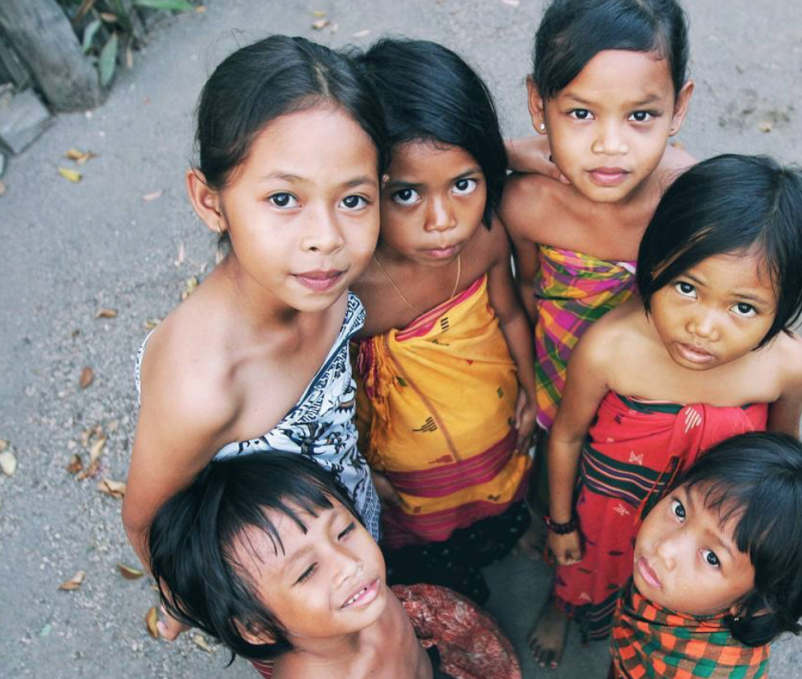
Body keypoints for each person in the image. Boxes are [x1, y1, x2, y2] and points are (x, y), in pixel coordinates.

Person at [123, 35, 386, 640]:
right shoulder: (206, 386)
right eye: (283, 199)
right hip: (284, 588)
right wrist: (196, 606)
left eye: (353, 198)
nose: (325, 236)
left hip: (339, 521)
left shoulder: (317, 280)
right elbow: (146, 521)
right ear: (210, 201)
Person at [542, 154, 802, 664]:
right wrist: (560, 524)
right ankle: (561, 608)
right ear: (654, 263)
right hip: (609, 508)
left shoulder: (786, 366)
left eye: (743, 307)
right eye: (686, 288)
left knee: (670, 594)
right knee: (584, 567)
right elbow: (565, 437)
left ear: (783, 306)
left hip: (702, 533)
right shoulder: (611, 346)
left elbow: (781, 460)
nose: (705, 327)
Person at [496, 0, 696, 661]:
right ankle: (548, 559)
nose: (611, 145)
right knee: (552, 481)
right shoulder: (528, 204)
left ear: (679, 107)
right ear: (539, 105)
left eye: (641, 116)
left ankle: (581, 595)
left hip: (638, 405)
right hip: (557, 379)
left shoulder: (688, 202)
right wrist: (529, 385)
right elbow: (525, 292)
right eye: (580, 114)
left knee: (614, 509)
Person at [351, 39, 537, 605]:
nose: (443, 222)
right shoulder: (349, 292)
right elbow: (332, 398)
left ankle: (501, 536)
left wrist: (533, 391)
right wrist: (360, 471)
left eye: (464, 183)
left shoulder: (484, 241)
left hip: (496, 426)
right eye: (406, 193)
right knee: (428, 539)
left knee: (496, 503)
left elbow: (508, 313)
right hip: (407, 468)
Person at [149, 451, 522, 679]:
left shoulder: (361, 601)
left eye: (344, 531)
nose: (349, 563)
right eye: (307, 571)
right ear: (258, 627)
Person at [611, 432, 802, 678]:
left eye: (712, 557)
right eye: (680, 510)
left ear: (752, 605)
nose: (664, 548)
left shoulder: (711, 671)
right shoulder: (667, 585)